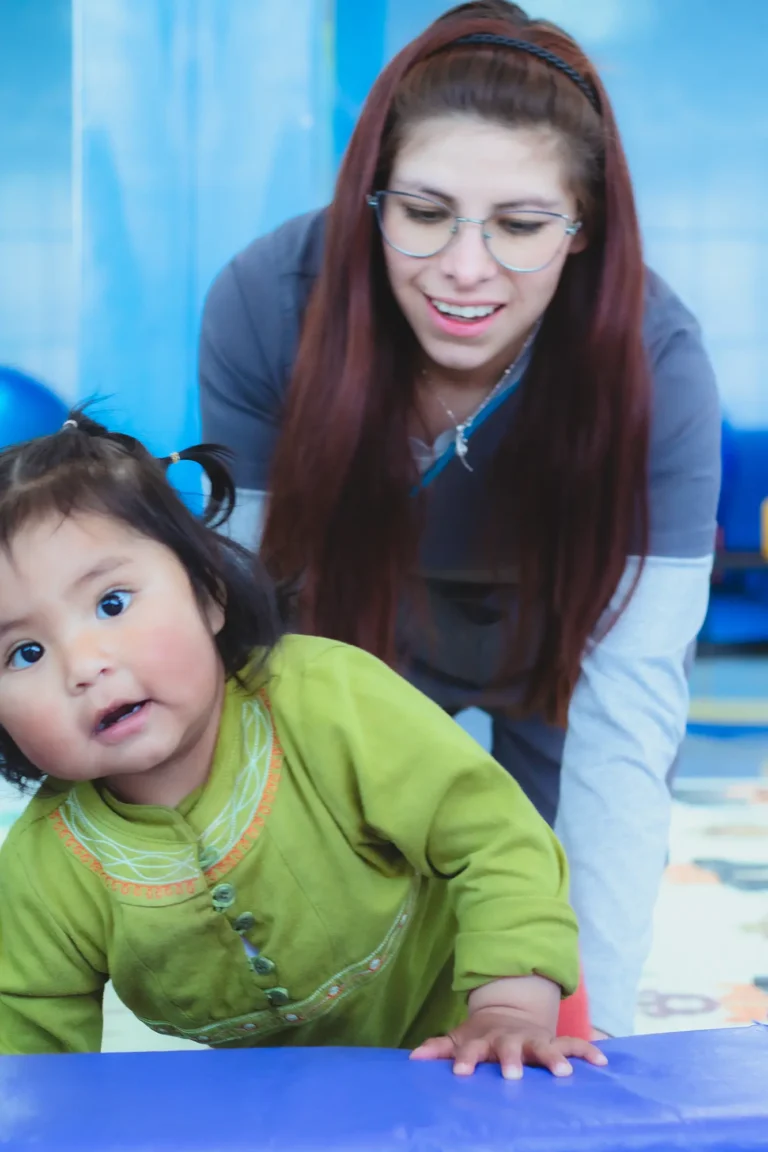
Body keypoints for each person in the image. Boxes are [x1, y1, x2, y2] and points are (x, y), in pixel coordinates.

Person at [198, 0, 721, 1039]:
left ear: (583, 233)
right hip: (357, 622)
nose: (465, 268)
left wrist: (587, 1030)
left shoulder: (658, 365)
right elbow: (244, 639)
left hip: (565, 633)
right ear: (371, 200)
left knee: (558, 942)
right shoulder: (266, 303)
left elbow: (629, 724)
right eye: (425, 212)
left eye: (522, 225)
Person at [0, 413, 609, 1077]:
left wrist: (511, 1012)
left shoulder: (330, 702)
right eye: (24, 652)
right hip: (303, 1107)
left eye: (112, 603)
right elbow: (28, 1073)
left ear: (208, 595)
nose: (83, 665)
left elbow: (495, 839)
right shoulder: (44, 870)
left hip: (496, 1020)